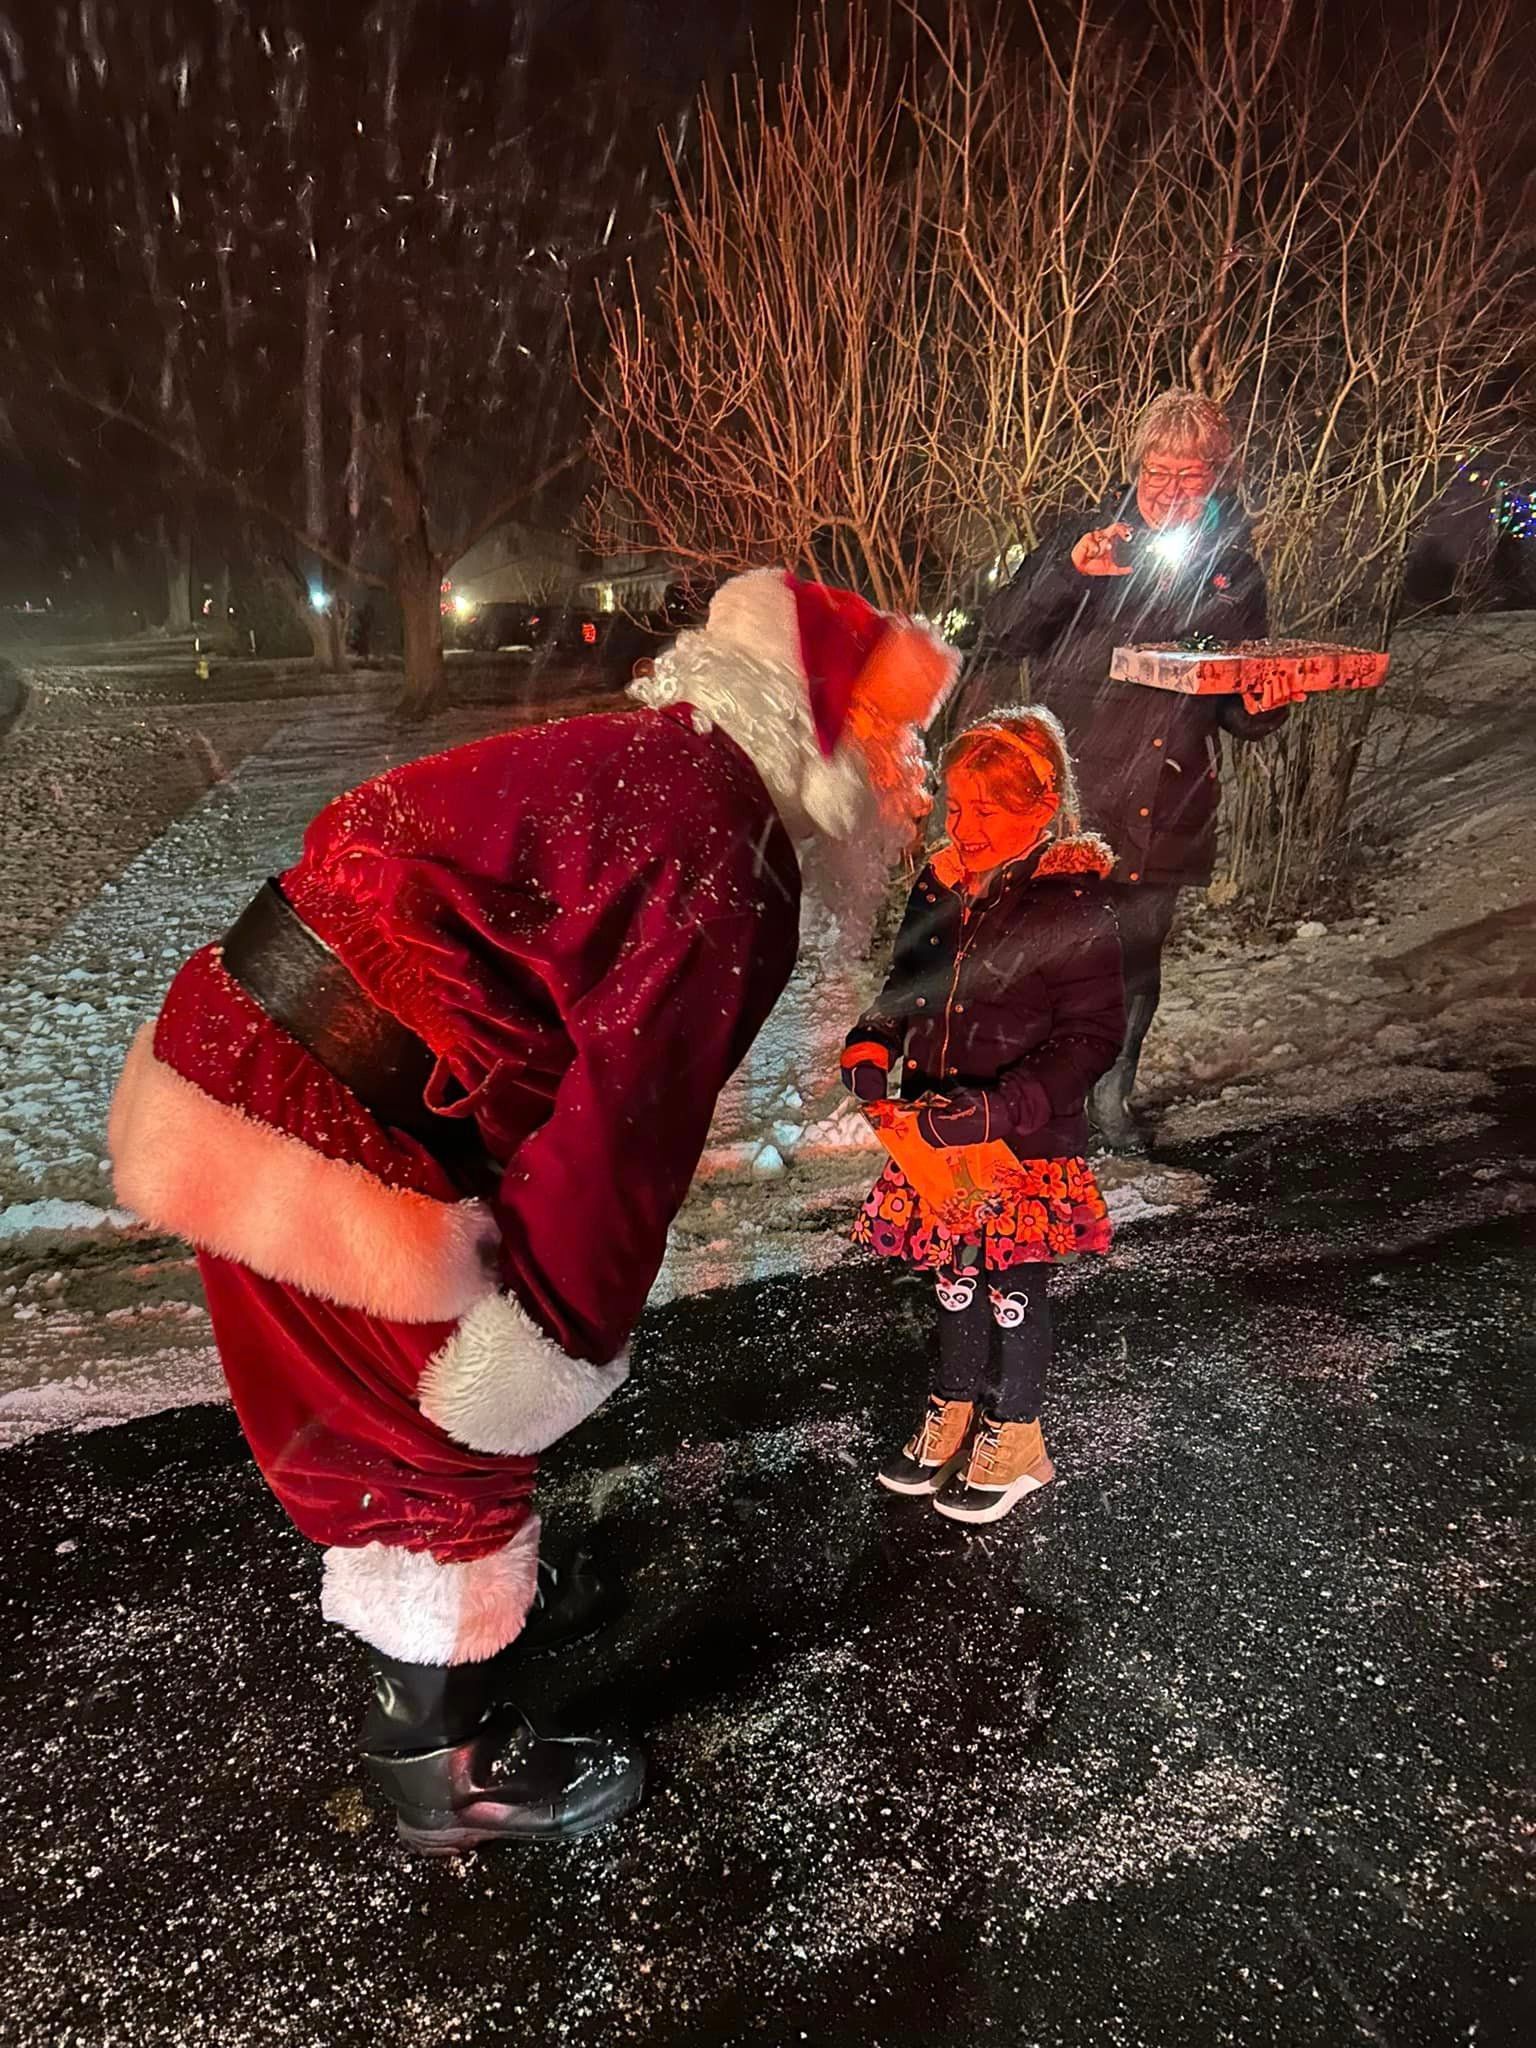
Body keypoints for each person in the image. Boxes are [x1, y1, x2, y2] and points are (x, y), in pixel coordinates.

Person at [108, 568, 957, 1854]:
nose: (914, 788)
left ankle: (472, 1609)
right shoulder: (730, 854)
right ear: (824, 729)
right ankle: (441, 1762)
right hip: (323, 1104)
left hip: (265, 1035)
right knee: (434, 1429)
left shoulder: (666, 759)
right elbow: (625, 1134)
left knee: (392, 1405)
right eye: (897, 746)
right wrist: (555, 1338)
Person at [973, 390, 1295, 1150]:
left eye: (1191, 474)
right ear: (1135, 467)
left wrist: (1268, 702)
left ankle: (1111, 1103)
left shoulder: (1233, 571)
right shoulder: (1085, 539)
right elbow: (1003, 631)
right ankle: (1039, 1105)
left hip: (1165, 796)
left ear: (1219, 476)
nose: (1171, 490)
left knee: (1134, 964)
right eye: (1158, 471)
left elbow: (1238, 708)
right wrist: (1069, 571)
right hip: (1071, 793)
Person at [842, 707, 1123, 1523]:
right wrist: (875, 1039)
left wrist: (1002, 1108)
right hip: (937, 1134)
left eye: (988, 811)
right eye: (957, 807)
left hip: (1021, 1141)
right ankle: (955, 1407)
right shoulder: (940, 885)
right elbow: (908, 987)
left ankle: (1019, 1432)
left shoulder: (1070, 906)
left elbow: (1090, 1038)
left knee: (1013, 1288)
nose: (963, 828)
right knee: (955, 1278)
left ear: (1042, 810)